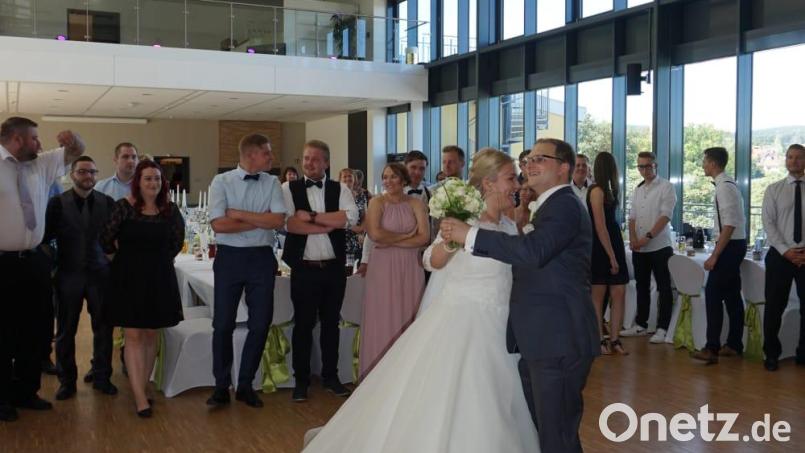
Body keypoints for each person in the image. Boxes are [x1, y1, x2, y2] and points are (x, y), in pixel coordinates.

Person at [303, 148, 538, 453]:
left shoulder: (508, 226)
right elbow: (430, 259)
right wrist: (453, 241)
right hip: (464, 323)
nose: (517, 184)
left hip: (502, 326)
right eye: (511, 178)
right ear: (490, 183)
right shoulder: (465, 221)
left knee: (499, 399)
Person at [441, 139, 600, 453]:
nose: (530, 165)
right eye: (528, 159)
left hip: (559, 338)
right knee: (548, 432)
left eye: (541, 159)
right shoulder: (550, 205)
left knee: (557, 437)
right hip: (542, 338)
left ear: (564, 167)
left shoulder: (565, 204)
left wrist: (469, 235)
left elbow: (535, 252)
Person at [0, 116, 85, 422]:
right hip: (3, 263)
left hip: (35, 259)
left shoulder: (41, 163)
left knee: (35, 330)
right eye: (34, 138)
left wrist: (73, 139)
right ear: (17, 139)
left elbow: (78, 150)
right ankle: (2, 398)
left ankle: (26, 391)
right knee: (3, 332)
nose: (40, 143)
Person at [206, 134, 286, 408]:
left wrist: (238, 214)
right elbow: (219, 225)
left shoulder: (273, 182)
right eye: (267, 154)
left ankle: (245, 384)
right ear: (252, 155)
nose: (271, 159)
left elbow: (277, 220)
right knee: (223, 324)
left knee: (261, 323)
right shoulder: (221, 182)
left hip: (262, 259)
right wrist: (259, 221)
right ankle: (220, 385)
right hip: (229, 258)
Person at [100, 160, 185, 418]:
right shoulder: (123, 207)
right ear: (138, 182)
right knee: (134, 336)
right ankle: (139, 398)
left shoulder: (170, 210)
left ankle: (144, 384)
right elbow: (105, 240)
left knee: (150, 335)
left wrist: (157, 261)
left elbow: (177, 241)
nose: (153, 183)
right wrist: (123, 261)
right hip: (128, 277)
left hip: (159, 276)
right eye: (148, 178)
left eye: (157, 179)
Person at [281, 140, 359, 402]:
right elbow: (290, 224)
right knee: (302, 325)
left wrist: (312, 217)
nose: (309, 163)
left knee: (331, 324)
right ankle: (301, 380)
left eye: (315, 159)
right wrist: (328, 221)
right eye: (305, 158)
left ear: (326, 162)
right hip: (302, 268)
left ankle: (331, 377)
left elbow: (349, 218)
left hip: (334, 268)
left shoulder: (341, 188)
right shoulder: (288, 188)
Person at [44, 156, 118, 400]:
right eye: (83, 171)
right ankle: (67, 382)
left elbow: (117, 236)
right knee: (66, 331)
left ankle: (102, 377)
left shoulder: (107, 202)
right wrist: (54, 266)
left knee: (104, 329)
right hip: (68, 275)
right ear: (72, 175)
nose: (88, 176)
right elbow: (44, 239)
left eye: (93, 172)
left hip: (100, 275)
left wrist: (112, 258)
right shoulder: (57, 203)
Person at [359, 163, 429, 377]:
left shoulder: (416, 203)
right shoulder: (376, 202)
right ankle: (377, 376)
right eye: (385, 177)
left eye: (393, 177)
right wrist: (408, 237)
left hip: (410, 266)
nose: (388, 181)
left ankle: (406, 376)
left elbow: (424, 238)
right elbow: (375, 235)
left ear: (403, 179)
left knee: (408, 314)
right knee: (382, 315)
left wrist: (394, 241)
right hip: (382, 267)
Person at [691, 147, 747, 365]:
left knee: (713, 294)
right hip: (734, 245)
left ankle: (711, 347)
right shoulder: (727, 185)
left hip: (730, 246)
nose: (703, 165)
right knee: (732, 296)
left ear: (713, 164)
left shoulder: (724, 188)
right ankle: (734, 344)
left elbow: (729, 224)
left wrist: (715, 255)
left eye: (705, 161)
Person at [621, 151, 677, 344]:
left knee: (664, 288)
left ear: (655, 166)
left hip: (660, 246)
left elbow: (665, 216)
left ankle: (662, 328)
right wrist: (633, 238)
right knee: (642, 286)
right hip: (640, 248)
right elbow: (632, 217)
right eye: (640, 166)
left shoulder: (666, 187)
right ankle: (641, 325)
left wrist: (647, 237)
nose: (644, 170)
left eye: (647, 166)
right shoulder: (637, 189)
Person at [761, 143, 805, 372]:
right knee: (774, 307)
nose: (794, 161)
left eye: (799, 157)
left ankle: (802, 353)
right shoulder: (773, 189)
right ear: (786, 161)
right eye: (790, 157)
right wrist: (786, 250)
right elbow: (768, 224)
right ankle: (771, 354)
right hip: (780, 256)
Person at [587, 152, 629, 356]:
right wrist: (611, 256)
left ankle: (615, 338)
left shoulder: (610, 191)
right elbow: (600, 226)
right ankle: (599, 339)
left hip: (615, 242)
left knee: (619, 292)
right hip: (601, 246)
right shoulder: (596, 190)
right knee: (599, 294)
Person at [339, 168, 367, 268]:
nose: (347, 179)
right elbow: (339, 218)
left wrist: (362, 231)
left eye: (350, 177)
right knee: (344, 272)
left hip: (358, 240)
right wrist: (356, 229)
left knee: (357, 271)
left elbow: (364, 216)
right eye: (344, 177)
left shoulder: (361, 196)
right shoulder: (336, 197)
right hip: (342, 239)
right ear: (340, 180)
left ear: (354, 179)